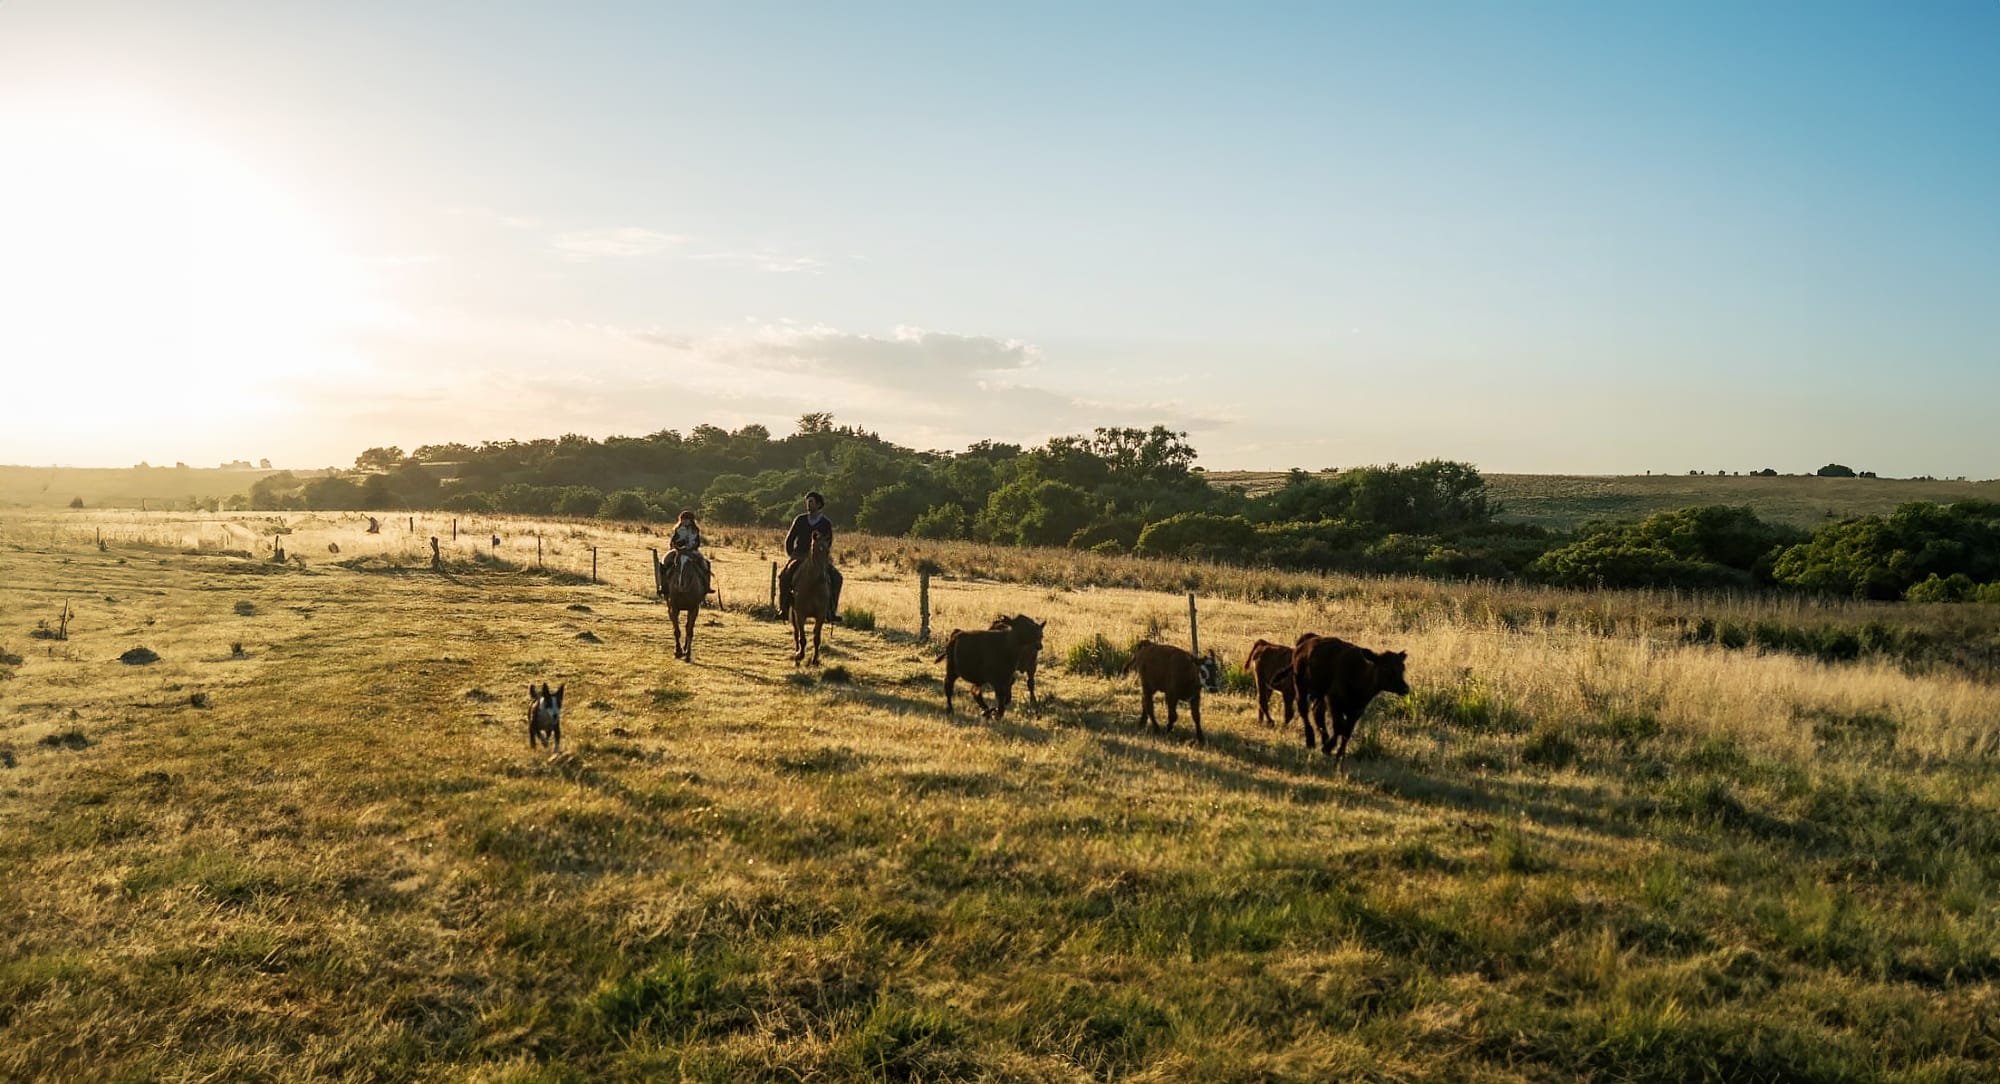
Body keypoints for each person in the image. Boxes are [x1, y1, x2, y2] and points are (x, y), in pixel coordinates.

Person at [778, 490, 843, 622]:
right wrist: (792, 554)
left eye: (811, 502)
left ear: (818, 504)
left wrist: (822, 557)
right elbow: (790, 539)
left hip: (818, 559)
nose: (808, 504)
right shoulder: (800, 520)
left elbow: (828, 542)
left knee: (837, 577)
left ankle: (831, 611)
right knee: (784, 576)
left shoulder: (825, 523)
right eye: (807, 502)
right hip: (800, 555)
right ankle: (783, 609)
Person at [667, 510, 710, 595]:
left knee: (706, 564)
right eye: (683, 519)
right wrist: (678, 547)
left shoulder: (695, 530)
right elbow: (673, 541)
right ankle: (664, 585)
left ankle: (706, 586)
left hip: (692, 551)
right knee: (665, 561)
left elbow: (697, 542)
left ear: (691, 521)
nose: (685, 521)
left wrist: (691, 547)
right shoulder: (678, 529)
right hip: (678, 550)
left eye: (687, 519)